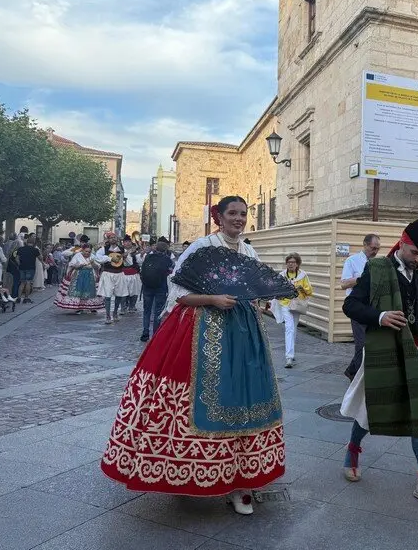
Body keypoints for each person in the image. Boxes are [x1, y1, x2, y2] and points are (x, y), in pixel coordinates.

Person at [101, 195, 285, 516]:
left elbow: (253, 288)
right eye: (233, 214)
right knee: (193, 401)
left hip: (243, 335)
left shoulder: (249, 251)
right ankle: (184, 473)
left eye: (243, 214)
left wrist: (259, 300)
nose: (239, 219)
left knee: (245, 400)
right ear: (220, 217)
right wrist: (212, 299)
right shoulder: (201, 247)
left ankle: (241, 482)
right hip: (201, 329)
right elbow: (178, 292)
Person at [340, 217, 418, 510]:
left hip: (413, 350)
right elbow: (351, 305)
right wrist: (380, 317)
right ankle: (353, 450)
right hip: (381, 350)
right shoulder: (378, 267)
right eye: (415, 252)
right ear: (403, 243)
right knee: (369, 407)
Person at [340, 233, 381, 380]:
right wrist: (362, 279)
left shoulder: (378, 263)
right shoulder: (352, 261)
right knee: (361, 343)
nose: (375, 251)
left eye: (377, 248)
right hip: (356, 307)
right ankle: (357, 376)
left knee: (370, 342)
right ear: (365, 245)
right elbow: (344, 283)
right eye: (372, 248)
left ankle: (352, 370)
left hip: (372, 307)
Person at [271, 253, 313, 368]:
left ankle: (291, 352)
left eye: (293, 262)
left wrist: (302, 288)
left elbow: (309, 292)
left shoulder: (303, 275)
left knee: (293, 328)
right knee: (289, 328)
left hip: (297, 304)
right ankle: (289, 357)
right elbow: (276, 289)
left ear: (297, 264)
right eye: (289, 262)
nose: (290, 264)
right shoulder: (282, 275)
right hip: (285, 304)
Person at [139, 240, 175, 342]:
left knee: (147, 310)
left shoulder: (148, 257)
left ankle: (145, 332)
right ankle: (155, 333)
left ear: (156, 248)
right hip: (160, 287)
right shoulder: (167, 259)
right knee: (158, 310)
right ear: (165, 250)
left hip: (147, 287)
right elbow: (171, 270)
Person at [54, 244, 104, 314]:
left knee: (90, 292)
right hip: (79, 275)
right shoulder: (77, 255)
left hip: (90, 276)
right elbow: (71, 264)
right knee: (79, 292)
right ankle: (79, 307)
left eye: (89, 252)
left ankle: (91, 306)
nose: (87, 253)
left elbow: (97, 267)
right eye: (86, 251)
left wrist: (93, 264)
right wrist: (77, 265)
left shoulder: (93, 256)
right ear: (82, 250)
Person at [96, 237, 126, 324]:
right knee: (107, 295)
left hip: (119, 274)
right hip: (108, 273)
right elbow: (97, 258)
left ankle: (115, 312)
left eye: (114, 238)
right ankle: (108, 315)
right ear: (108, 240)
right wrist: (109, 259)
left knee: (119, 295)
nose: (113, 239)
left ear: (117, 240)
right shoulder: (103, 249)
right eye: (111, 238)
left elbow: (129, 263)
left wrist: (126, 257)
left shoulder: (122, 249)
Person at [15, 235, 41, 303]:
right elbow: (40, 258)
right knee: (28, 282)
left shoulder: (20, 249)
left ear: (27, 242)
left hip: (22, 267)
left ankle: (19, 297)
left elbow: (17, 259)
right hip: (31, 268)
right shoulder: (35, 250)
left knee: (22, 282)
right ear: (34, 242)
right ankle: (26, 298)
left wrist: (19, 264)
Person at [120, 235, 141, 314]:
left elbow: (139, 261)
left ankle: (132, 306)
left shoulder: (135, 252)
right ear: (123, 243)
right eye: (126, 242)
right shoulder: (120, 251)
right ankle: (123, 307)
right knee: (123, 291)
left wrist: (141, 254)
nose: (128, 243)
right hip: (123, 274)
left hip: (134, 274)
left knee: (134, 291)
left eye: (129, 242)